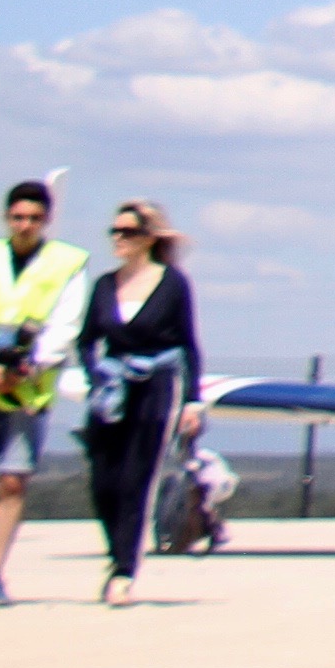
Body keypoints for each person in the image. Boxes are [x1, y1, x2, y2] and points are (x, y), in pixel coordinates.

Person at [0, 178, 90, 604]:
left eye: (34, 218)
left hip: (29, 385)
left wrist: (33, 365)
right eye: (18, 217)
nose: (25, 225)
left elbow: (67, 322)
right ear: (6, 217)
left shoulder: (68, 262)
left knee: (12, 480)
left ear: (47, 220)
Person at [75, 201, 206, 607]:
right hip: (111, 389)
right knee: (104, 481)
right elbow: (86, 339)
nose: (119, 239)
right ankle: (116, 552)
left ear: (149, 238)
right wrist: (96, 374)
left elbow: (188, 343)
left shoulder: (173, 284)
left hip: (155, 387)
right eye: (115, 231)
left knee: (136, 479)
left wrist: (193, 401)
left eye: (128, 232)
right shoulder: (103, 285)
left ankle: (123, 571)